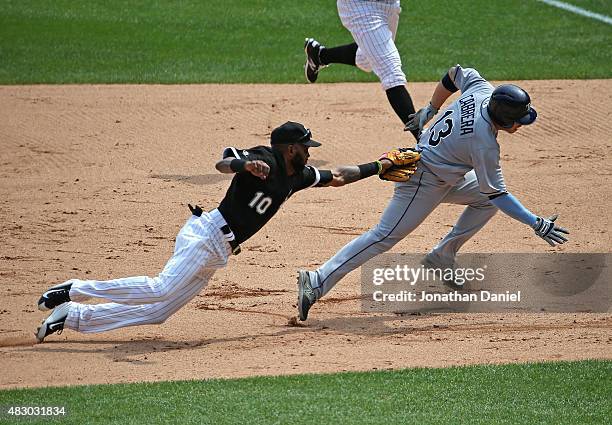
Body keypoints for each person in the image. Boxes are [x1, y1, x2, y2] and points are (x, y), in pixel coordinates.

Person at [35, 121, 403, 342]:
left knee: (160, 311)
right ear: (291, 148)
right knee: (161, 287)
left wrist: (381, 165)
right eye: (306, 147)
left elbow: (338, 177)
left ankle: (73, 316)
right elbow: (224, 161)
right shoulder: (268, 157)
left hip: (220, 250)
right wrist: (246, 164)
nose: (310, 153)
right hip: (207, 233)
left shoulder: (298, 177)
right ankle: (73, 288)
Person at [296, 64, 569, 321]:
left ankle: (443, 255)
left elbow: (455, 73)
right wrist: (536, 223)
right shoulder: (484, 142)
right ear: (505, 118)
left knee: (485, 199)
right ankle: (317, 279)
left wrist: (431, 108)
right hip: (422, 181)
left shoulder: (483, 91)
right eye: (519, 120)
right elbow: (499, 194)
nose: (521, 125)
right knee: (384, 236)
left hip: (445, 172)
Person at [303, 0, 420, 140]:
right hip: (361, 6)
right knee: (391, 73)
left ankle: (320, 55)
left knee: (367, 59)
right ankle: (426, 142)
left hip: (390, 5)